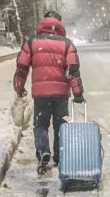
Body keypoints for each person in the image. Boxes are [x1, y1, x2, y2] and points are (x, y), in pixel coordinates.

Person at [13, 11, 84, 175]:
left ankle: (43, 151)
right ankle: (60, 157)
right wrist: (78, 92)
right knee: (61, 125)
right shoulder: (67, 43)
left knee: (40, 124)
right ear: (60, 24)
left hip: (41, 93)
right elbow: (73, 71)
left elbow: (22, 67)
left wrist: (19, 87)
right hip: (61, 94)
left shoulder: (31, 41)